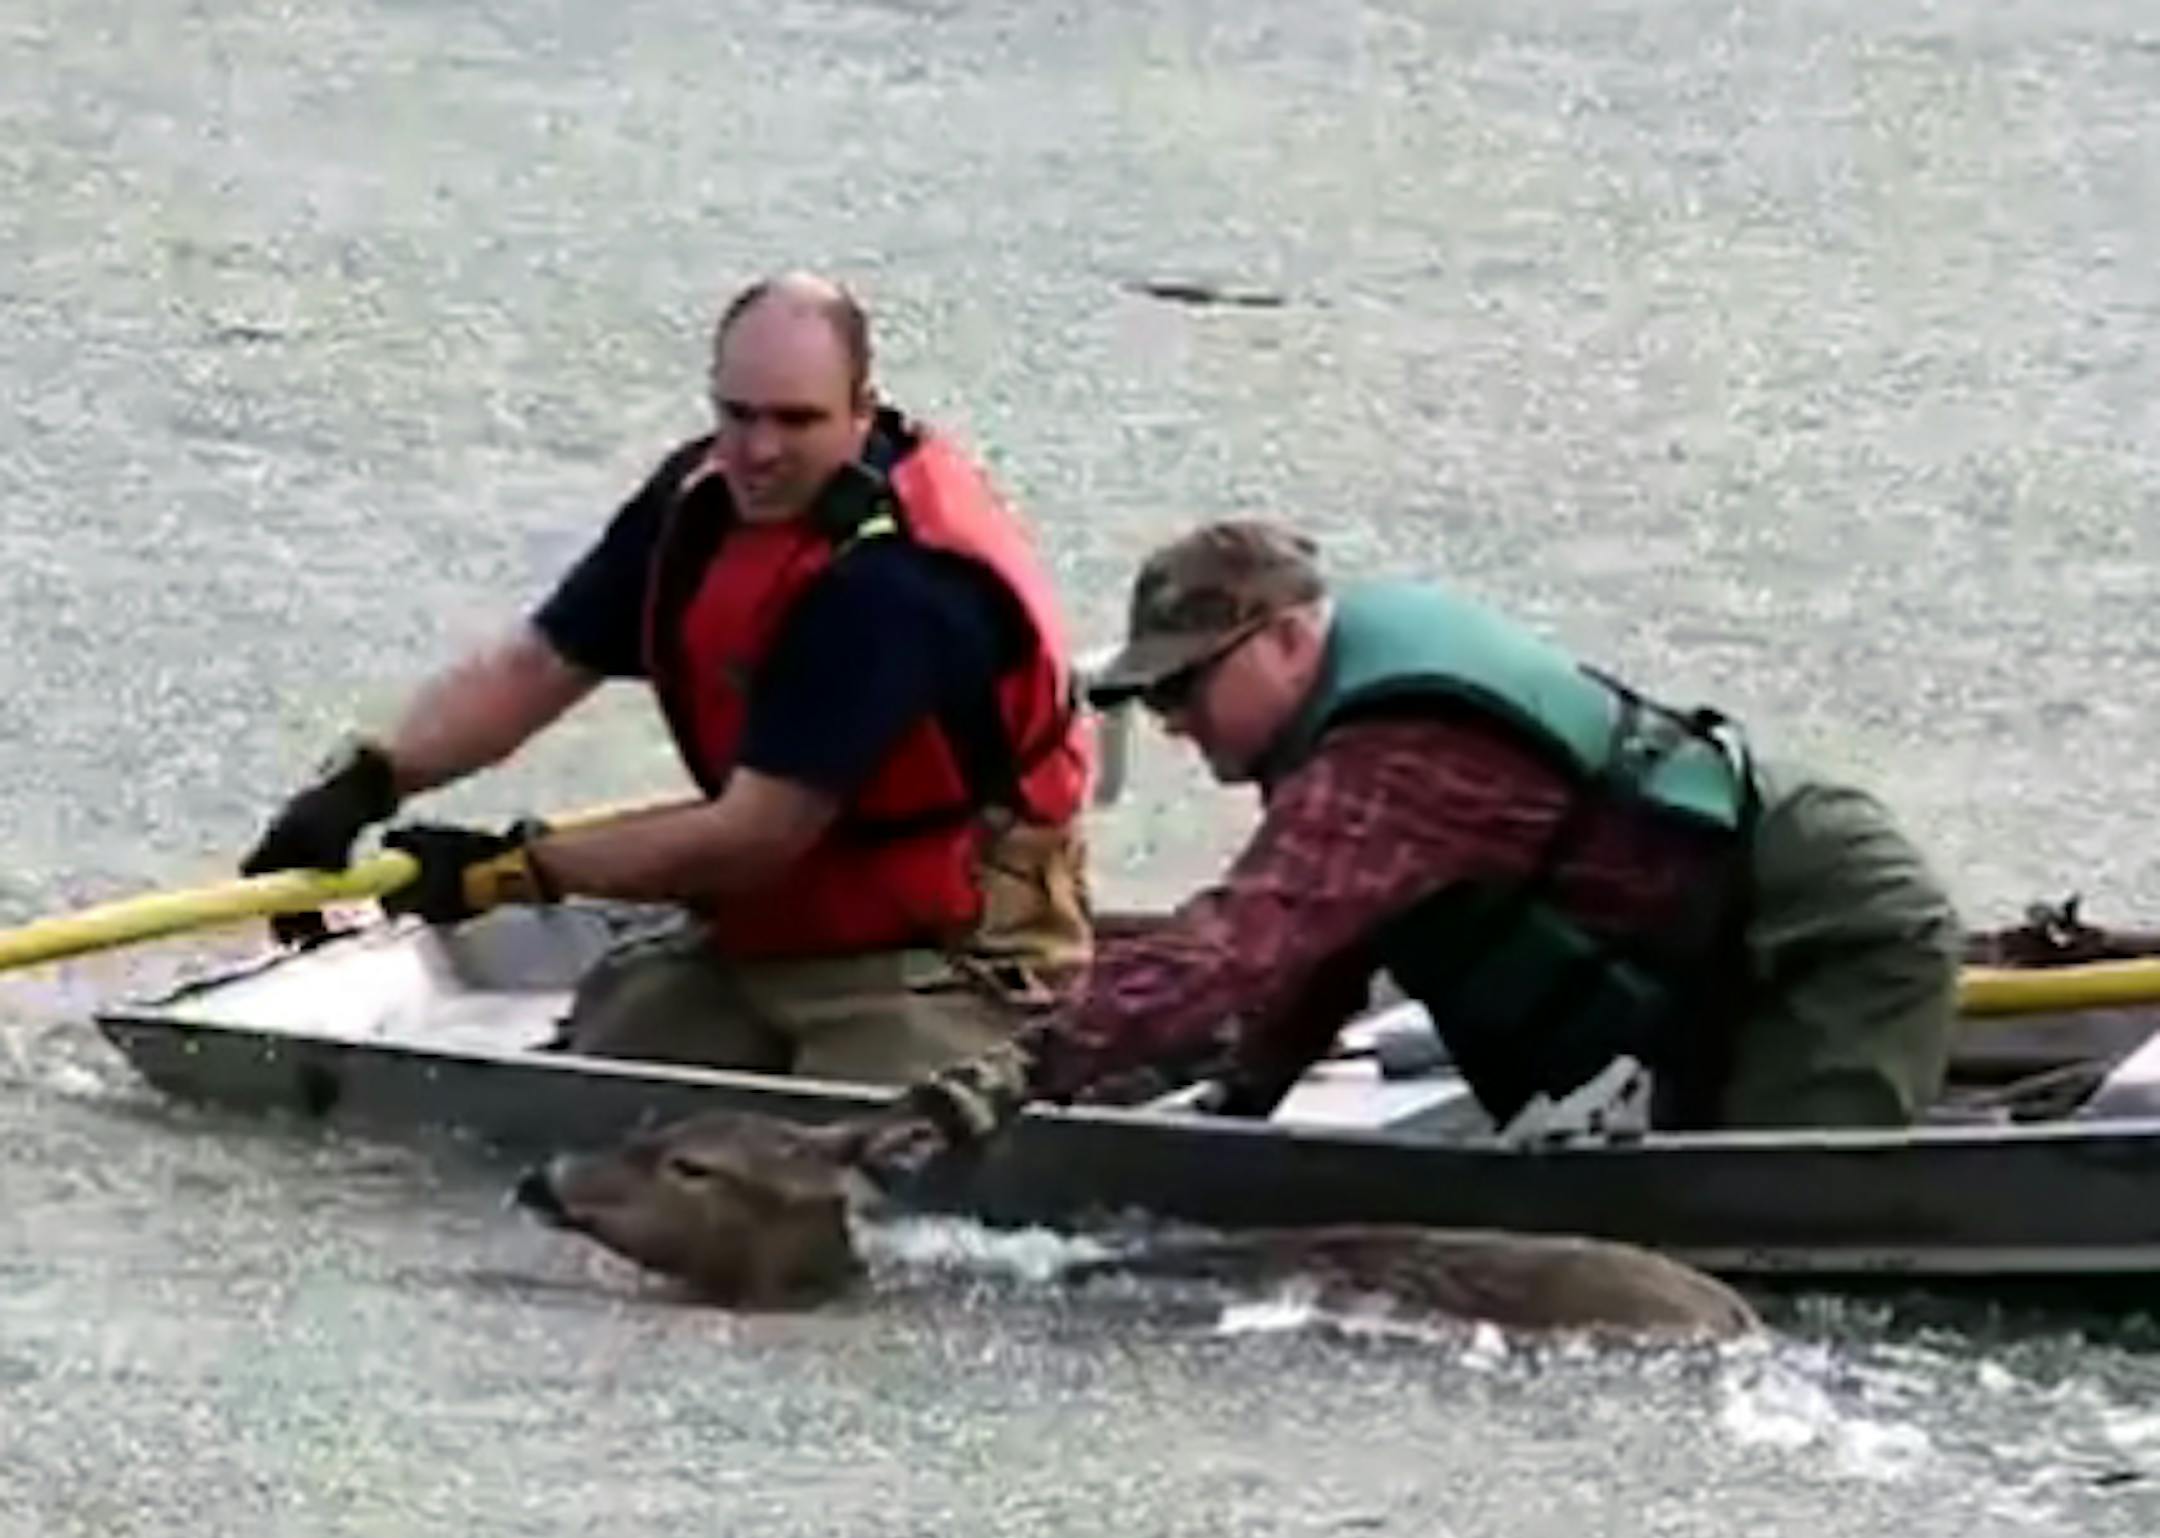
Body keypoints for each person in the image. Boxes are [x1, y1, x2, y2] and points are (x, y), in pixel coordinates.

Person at [859, 518, 1963, 1166]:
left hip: (1823, 931)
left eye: (1189, 686)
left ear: (1290, 638)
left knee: (1765, 1228)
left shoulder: (1391, 759)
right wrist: (1241, 1100)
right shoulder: (1343, 740)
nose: (1175, 721)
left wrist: (1013, 1072)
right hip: (1708, 945)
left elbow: (1240, 941)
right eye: (1154, 701)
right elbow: (1323, 949)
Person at [241, 273, 1095, 1085]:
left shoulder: (895, 583)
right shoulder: (699, 499)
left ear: (861, 412)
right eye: (738, 414)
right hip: (767, 926)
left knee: (823, 1171)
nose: (759, 452)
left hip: (938, 953)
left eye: (796, 422)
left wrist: (505, 874)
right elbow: (540, 664)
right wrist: (368, 781)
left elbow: (754, 836)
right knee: (585, 1096)